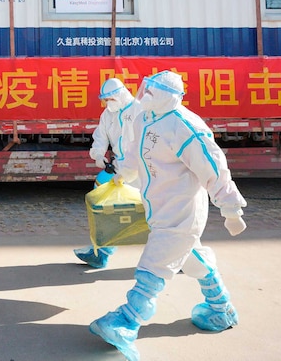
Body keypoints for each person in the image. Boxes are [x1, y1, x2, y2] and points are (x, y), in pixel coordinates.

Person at [89, 70, 247, 361]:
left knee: (155, 264)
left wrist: (230, 207)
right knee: (192, 258)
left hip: (182, 210)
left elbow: (213, 167)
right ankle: (220, 307)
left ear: (167, 96)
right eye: (144, 90)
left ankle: (127, 320)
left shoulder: (185, 126)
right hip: (158, 206)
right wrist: (121, 176)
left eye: (151, 92)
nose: (143, 96)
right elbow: (135, 158)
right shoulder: (144, 119)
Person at [73, 78, 140, 269]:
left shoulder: (139, 110)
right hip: (120, 170)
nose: (107, 103)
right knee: (112, 211)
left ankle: (185, 254)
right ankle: (101, 252)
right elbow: (100, 136)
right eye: (105, 100)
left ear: (120, 94)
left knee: (161, 214)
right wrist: (97, 154)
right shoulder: (108, 114)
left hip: (142, 171)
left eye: (110, 99)